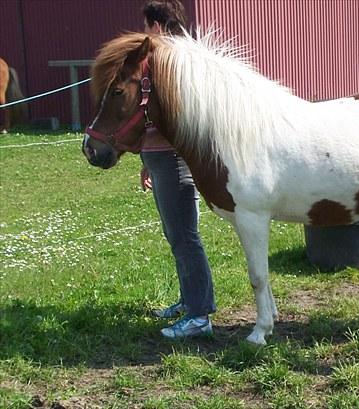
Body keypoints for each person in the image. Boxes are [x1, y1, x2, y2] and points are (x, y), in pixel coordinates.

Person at [141, 0, 216, 339]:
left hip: (174, 159)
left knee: (185, 236)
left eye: (146, 25)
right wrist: (145, 161)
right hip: (159, 158)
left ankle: (200, 315)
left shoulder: (175, 60)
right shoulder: (160, 59)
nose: (144, 32)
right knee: (176, 235)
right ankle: (189, 301)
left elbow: (172, 113)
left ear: (156, 25)